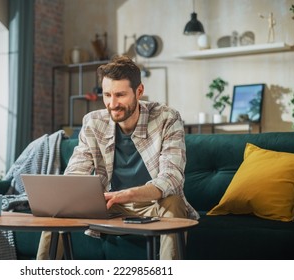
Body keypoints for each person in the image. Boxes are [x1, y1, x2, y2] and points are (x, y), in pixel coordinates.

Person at [36, 55, 199, 260]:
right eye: (107, 95)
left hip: (153, 203)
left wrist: (125, 194)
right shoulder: (93, 122)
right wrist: (70, 195)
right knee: (59, 207)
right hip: (111, 204)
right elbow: (76, 173)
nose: (112, 104)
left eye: (120, 95)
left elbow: (172, 178)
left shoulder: (167, 118)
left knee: (174, 202)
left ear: (139, 91)